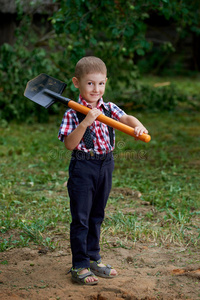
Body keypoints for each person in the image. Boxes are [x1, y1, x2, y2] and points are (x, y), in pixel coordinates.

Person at [58, 56, 148, 285]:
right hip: (83, 165)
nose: (96, 89)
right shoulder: (73, 112)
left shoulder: (108, 108)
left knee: (97, 214)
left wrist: (136, 125)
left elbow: (125, 117)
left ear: (106, 82)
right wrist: (86, 121)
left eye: (100, 84)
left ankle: (93, 258)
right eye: (90, 83)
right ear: (77, 82)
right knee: (81, 217)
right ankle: (79, 264)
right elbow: (69, 144)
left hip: (106, 163)